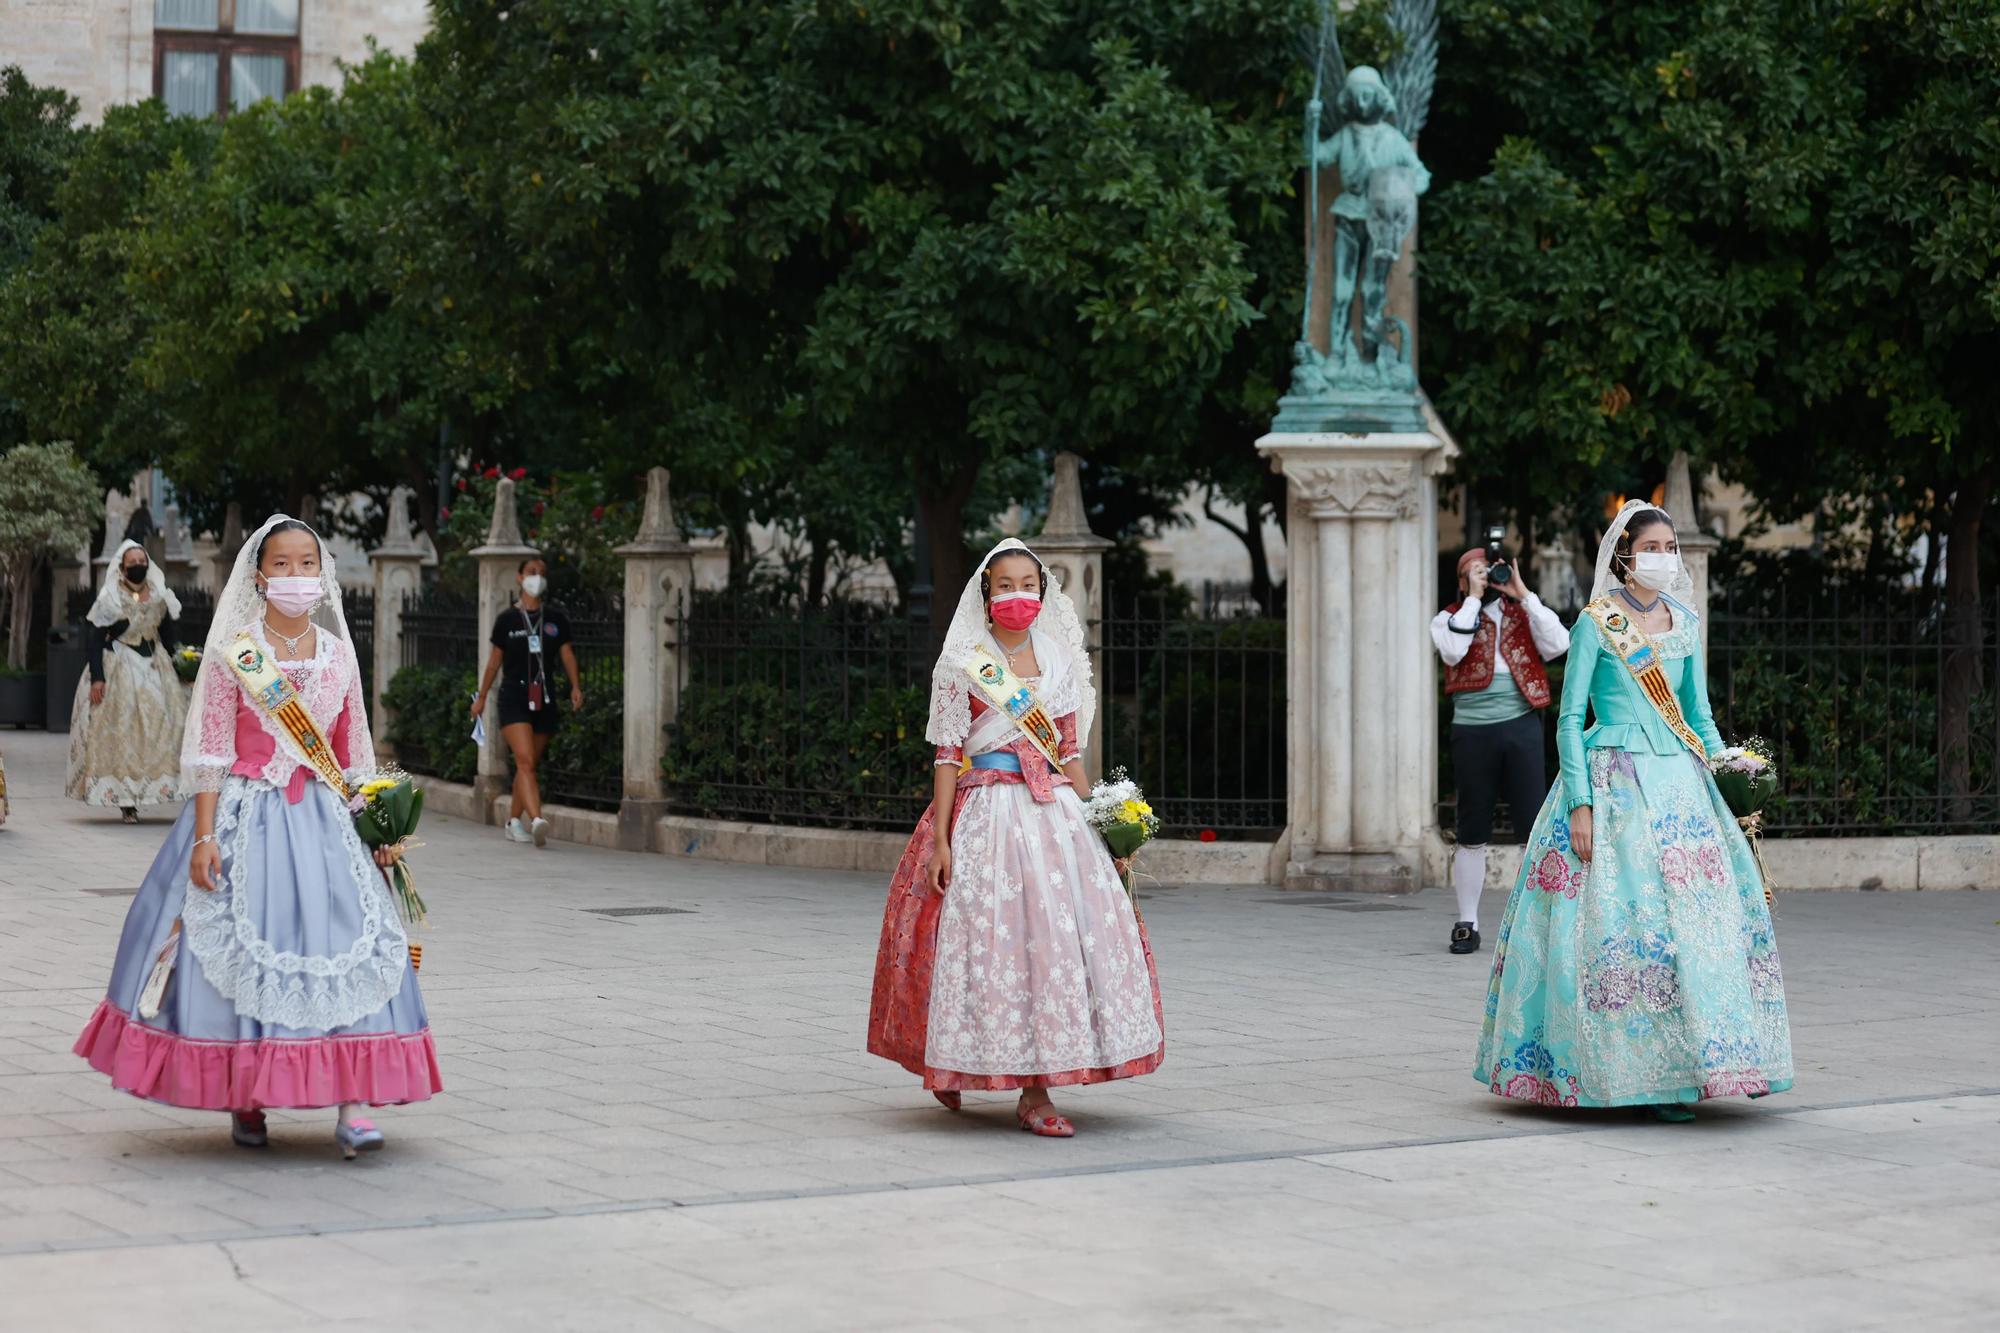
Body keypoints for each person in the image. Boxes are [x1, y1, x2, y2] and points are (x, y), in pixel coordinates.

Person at [74, 515, 440, 1158]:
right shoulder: (237, 653)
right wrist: (203, 838)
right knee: (245, 955)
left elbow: (354, 752)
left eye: (307, 563)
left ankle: (353, 1107)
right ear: (259, 574)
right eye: (282, 564)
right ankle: (248, 1097)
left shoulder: (337, 657)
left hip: (327, 823)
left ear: (321, 573)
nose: (296, 576)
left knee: (350, 950)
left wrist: (380, 826)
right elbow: (211, 748)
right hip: (247, 819)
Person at [1474, 501, 1793, 1121]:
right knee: (1623, 927)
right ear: (1625, 554)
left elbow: (1698, 716)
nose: (1666, 556)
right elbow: (1569, 719)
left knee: (1696, 929)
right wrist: (1580, 804)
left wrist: (1731, 771)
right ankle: (1622, 1072)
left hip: (1681, 787)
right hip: (1612, 779)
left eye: (1671, 546)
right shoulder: (1597, 623)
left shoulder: (1684, 623)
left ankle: (1707, 1062)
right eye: (1655, 546)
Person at [867, 538, 1165, 1137]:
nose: (1017, 595)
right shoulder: (964, 663)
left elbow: (1070, 753)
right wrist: (944, 840)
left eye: (1027, 583)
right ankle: (951, 1063)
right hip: (984, 816)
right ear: (987, 593)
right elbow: (947, 756)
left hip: (1053, 817)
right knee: (977, 944)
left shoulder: (1057, 661)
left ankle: (1036, 1091)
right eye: (1004, 585)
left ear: (1043, 590)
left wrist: (1103, 823)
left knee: (1049, 946)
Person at [1431, 546, 1569, 954]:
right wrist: (1473, 598)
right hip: (1473, 731)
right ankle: (1467, 921)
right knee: (1472, 825)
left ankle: (1536, 920)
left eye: (1488, 571)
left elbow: (1560, 642)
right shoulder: (1449, 618)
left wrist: (1523, 592)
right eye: (1475, 572)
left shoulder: (1522, 613)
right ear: (1460, 579)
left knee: (1533, 823)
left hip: (1521, 725)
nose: (1486, 577)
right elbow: (1454, 651)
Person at [65, 540, 189, 822]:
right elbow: (94, 640)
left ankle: (161, 789)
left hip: (154, 666)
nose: (138, 567)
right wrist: (98, 678)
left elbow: (168, 635)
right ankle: (125, 800)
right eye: (132, 563)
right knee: (123, 729)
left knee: (165, 726)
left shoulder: (159, 596)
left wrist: (181, 667)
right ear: (121, 568)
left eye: (141, 562)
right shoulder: (111, 598)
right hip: (119, 665)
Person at [471, 557, 583, 847]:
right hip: (514, 697)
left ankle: (512, 822)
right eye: (532, 572)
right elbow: (494, 663)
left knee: (528, 765)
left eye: (542, 573)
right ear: (519, 578)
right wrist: (481, 697)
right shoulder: (507, 620)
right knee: (525, 760)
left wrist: (575, 686)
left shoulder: (555, 618)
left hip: (544, 697)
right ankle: (536, 819)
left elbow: (567, 654)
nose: (538, 577)